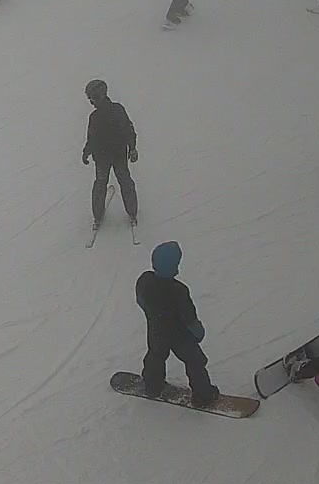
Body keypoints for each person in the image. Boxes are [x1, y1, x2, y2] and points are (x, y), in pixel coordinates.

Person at [136, 242, 219, 405]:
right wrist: (198, 332)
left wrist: (153, 315)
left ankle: (152, 386)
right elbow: (189, 317)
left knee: (156, 355)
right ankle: (203, 396)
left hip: (156, 330)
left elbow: (141, 301)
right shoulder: (179, 291)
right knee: (195, 361)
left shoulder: (145, 280)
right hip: (180, 336)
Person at [81, 79, 139, 230]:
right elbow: (92, 138)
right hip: (108, 157)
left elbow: (128, 130)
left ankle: (127, 212)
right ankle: (105, 214)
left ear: (99, 96)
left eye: (92, 98)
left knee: (113, 183)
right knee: (115, 183)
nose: (91, 102)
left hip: (113, 156)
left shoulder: (114, 111)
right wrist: (86, 151)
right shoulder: (100, 115)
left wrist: (133, 148)